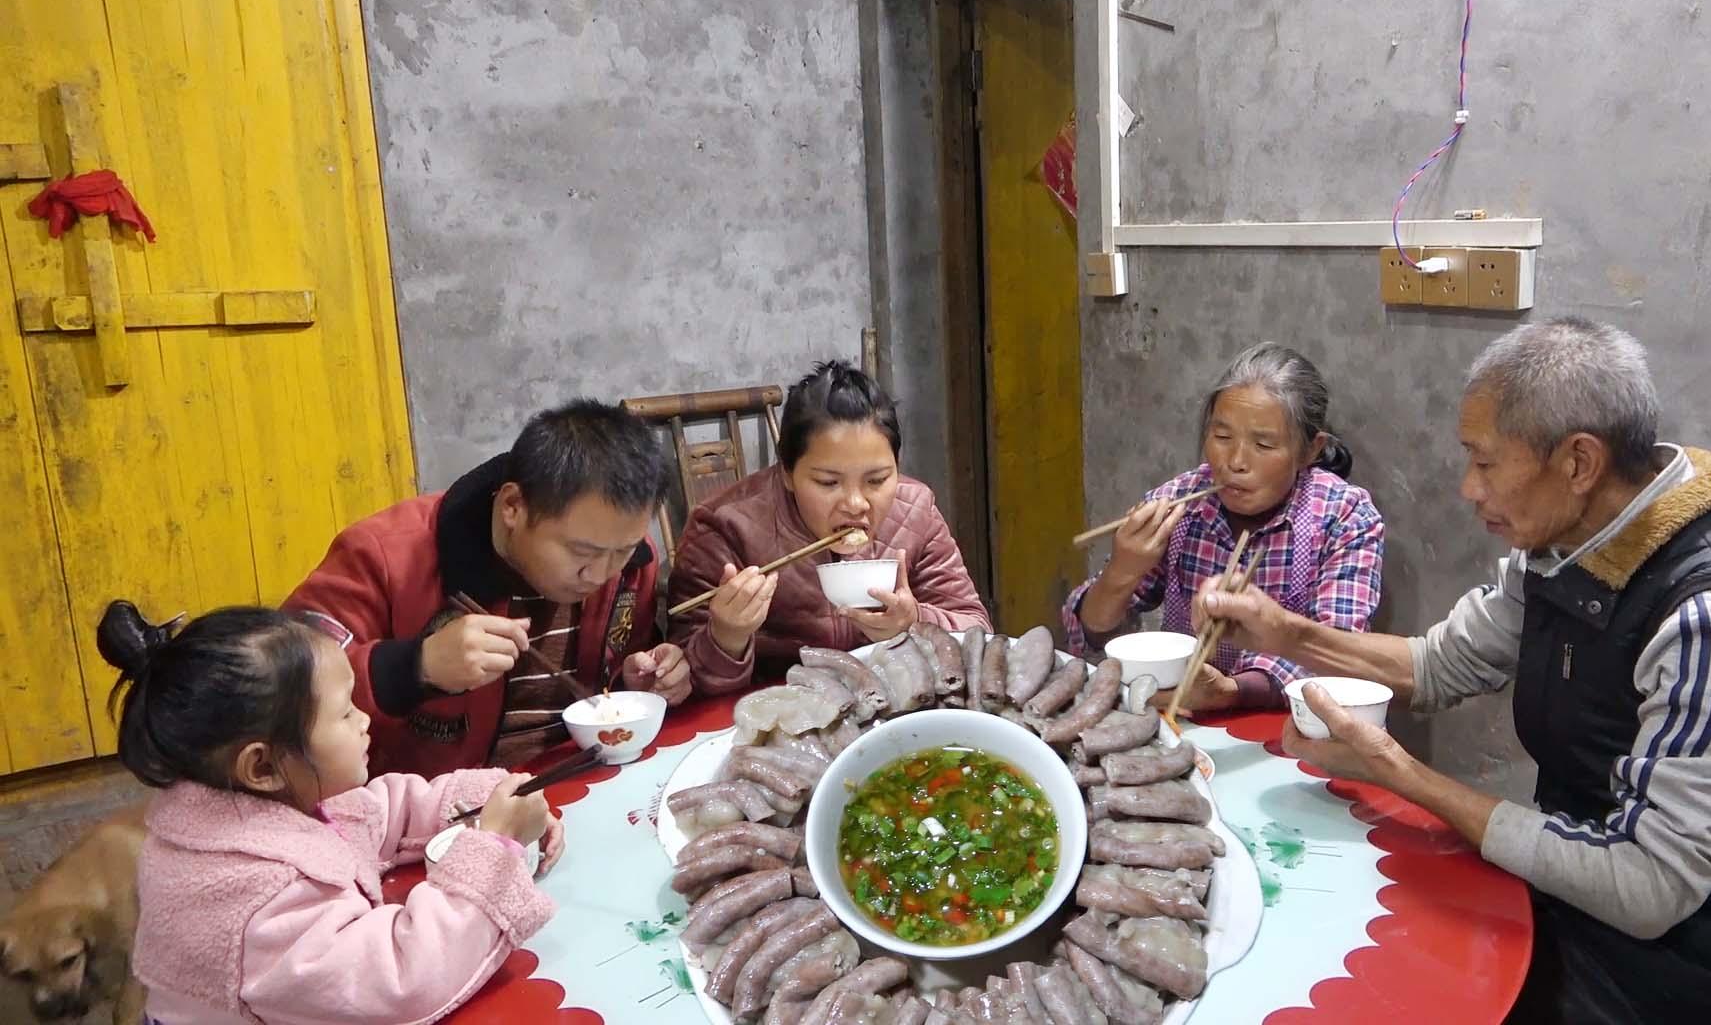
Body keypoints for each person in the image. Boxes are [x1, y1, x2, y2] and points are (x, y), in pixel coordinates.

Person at [1196, 319, 1711, 1024]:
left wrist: (1401, 773)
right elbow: (1444, 664)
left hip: (1684, 977)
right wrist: (1282, 629)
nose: (1467, 489)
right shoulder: (1568, 547)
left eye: (1485, 462)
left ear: (1578, 463)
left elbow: (1648, 885)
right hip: (1570, 909)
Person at [104, 601, 560, 1025]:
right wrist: (494, 850)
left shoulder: (267, 797)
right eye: (344, 713)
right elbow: (402, 982)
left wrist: (486, 800)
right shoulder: (256, 901)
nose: (364, 719)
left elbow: (379, 814)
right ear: (262, 765)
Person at [284, 399, 687, 776]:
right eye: (581, 551)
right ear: (513, 506)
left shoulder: (633, 563)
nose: (600, 574)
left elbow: (608, 682)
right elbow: (280, 689)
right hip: (429, 816)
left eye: (621, 550)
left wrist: (637, 682)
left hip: (577, 780)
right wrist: (416, 667)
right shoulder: (385, 556)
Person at [1062, 343, 1385, 712]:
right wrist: (1122, 570)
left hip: (1291, 725)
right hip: (1182, 719)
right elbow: (1092, 637)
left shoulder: (1344, 516)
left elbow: (1339, 651)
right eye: (1222, 437)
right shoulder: (1179, 502)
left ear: (1311, 450)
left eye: (1263, 443)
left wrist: (1231, 691)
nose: (1235, 462)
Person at [670, 361, 990, 693]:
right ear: (787, 474)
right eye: (828, 482)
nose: (856, 503)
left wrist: (914, 623)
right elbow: (680, 680)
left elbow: (977, 630)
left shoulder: (914, 511)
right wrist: (726, 638)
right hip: (779, 716)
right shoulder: (725, 526)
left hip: (892, 703)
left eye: (877, 479)